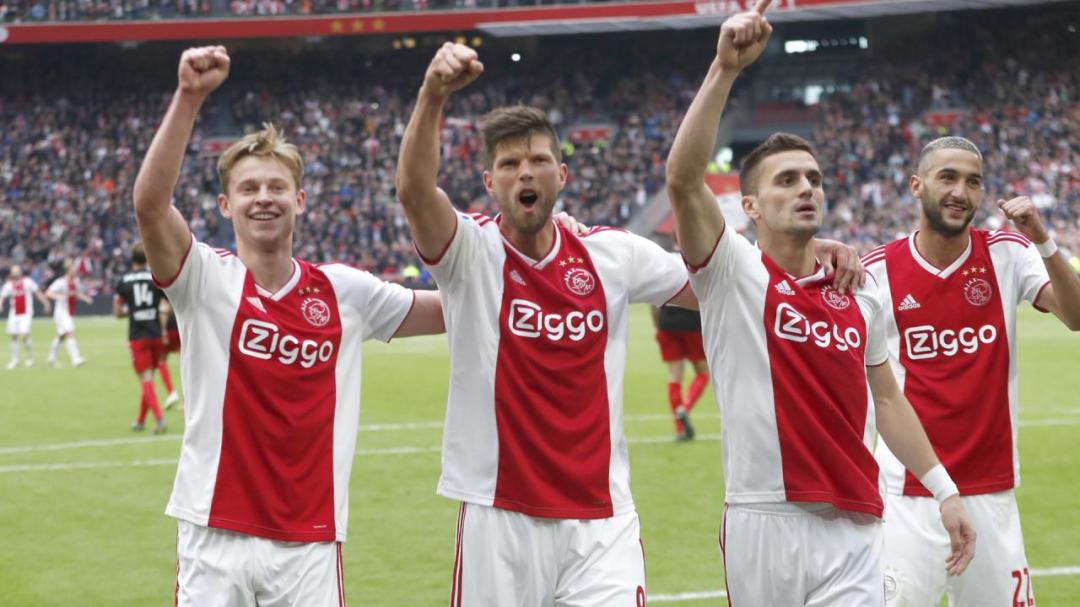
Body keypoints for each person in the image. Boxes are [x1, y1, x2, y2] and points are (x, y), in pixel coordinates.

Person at [663, 2, 977, 603]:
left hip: (858, 523)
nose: (806, 187)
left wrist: (944, 489)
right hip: (763, 517)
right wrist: (724, 69)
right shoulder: (732, 272)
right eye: (785, 180)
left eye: (813, 178)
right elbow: (682, 179)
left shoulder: (861, 291)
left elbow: (888, 399)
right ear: (748, 207)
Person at [132, 46, 444, 606]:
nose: (263, 199)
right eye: (248, 189)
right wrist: (189, 97)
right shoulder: (203, 279)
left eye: (276, 187)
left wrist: (519, 250)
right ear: (226, 206)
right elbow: (151, 207)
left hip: (309, 543)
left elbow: (456, 307)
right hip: (213, 533)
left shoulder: (346, 291)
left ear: (300, 200)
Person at [396, 43, 699, 606]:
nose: (524, 172)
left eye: (536, 160)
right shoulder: (469, 252)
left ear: (560, 175)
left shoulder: (612, 254)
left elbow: (718, 285)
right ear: (490, 183)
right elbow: (415, 192)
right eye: (509, 164)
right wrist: (433, 94)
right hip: (498, 514)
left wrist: (800, 257)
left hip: (602, 518)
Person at [861, 136, 1080, 606]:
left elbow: (1077, 316)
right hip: (908, 494)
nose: (961, 191)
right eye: (948, 177)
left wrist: (1042, 238)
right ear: (917, 186)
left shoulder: (1008, 252)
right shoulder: (876, 271)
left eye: (973, 181)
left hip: (990, 491)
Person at [113, 242, 168, 434]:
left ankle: (160, 419)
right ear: (147, 258)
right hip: (155, 332)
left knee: (145, 379)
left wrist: (131, 312)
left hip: (138, 335)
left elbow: (117, 311)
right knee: (149, 378)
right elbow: (166, 305)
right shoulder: (155, 278)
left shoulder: (124, 281)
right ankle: (140, 420)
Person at [650, 301, 708, 441]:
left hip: (666, 322)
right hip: (693, 323)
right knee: (703, 372)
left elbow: (653, 303)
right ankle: (684, 409)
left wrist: (657, 326)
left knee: (674, 375)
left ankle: (679, 429)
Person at [1, 264, 51, 369]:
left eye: (17, 271)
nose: (16, 273)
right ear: (11, 274)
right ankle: (15, 360)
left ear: (21, 272)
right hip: (14, 314)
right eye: (14, 272)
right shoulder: (9, 285)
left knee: (24, 335)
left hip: (26, 313)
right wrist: (1, 305)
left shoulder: (28, 282)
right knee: (13, 336)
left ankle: (29, 357)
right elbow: (2, 296)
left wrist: (46, 303)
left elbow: (37, 293)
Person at [45, 258, 93, 368]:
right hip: (61, 312)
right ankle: (76, 359)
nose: (76, 271)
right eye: (73, 269)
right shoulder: (60, 282)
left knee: (61, 336)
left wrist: (86, 298)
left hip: (69, 312)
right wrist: (59, 296)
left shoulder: (75, 281)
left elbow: (76, 293)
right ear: (68, 271)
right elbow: (48, 293)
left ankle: (51, 358)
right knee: (70, 332)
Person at [157, 297, 182, 409]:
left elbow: (164, 310)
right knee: (186, 362)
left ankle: (171, 392)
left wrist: (162, 331)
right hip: (180, 328)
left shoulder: (161, 290)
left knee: (161, 361)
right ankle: (188, 398)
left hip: (169, 329)